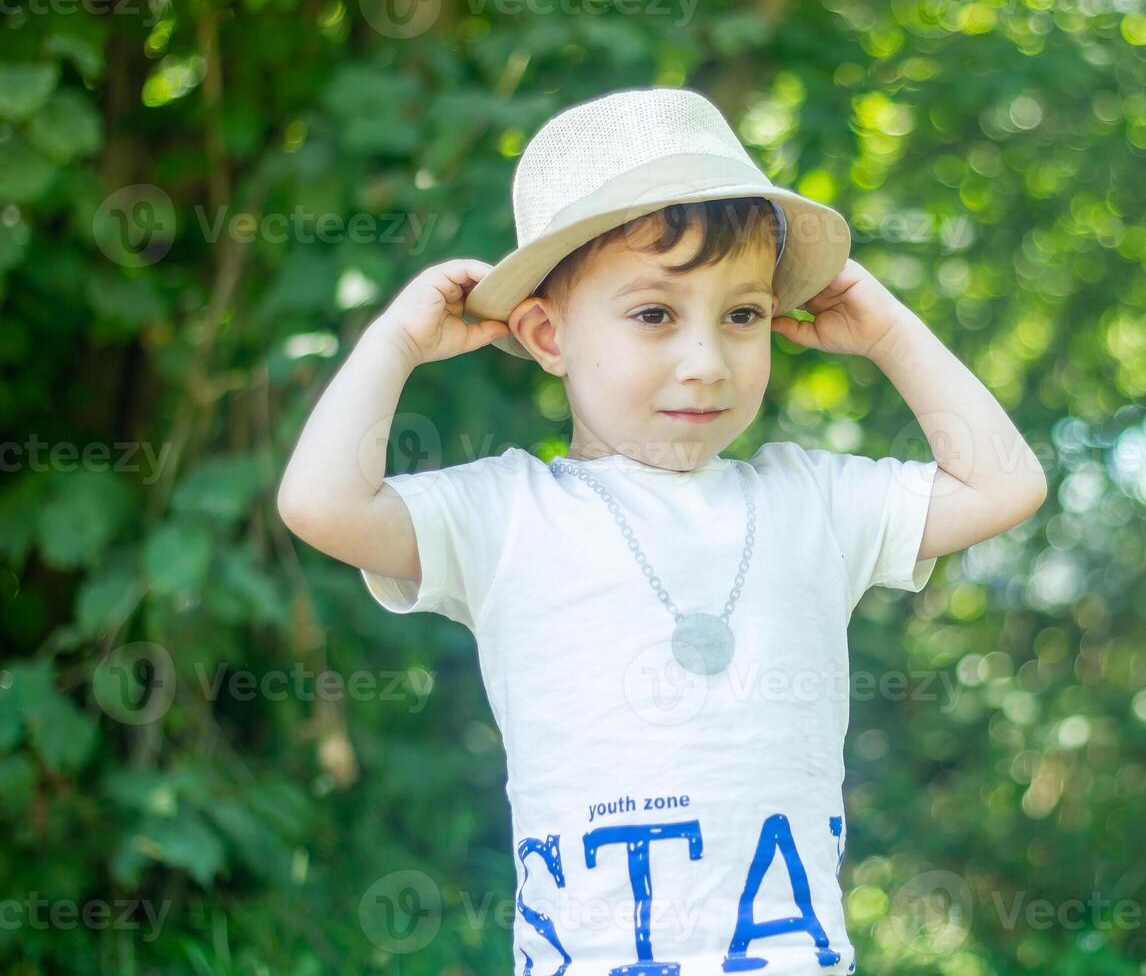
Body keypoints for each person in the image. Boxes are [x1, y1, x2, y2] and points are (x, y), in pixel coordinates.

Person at [277, 87, 1046, 975]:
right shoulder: (509, 516)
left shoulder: (812, 503)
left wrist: (890, 334)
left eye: (743, 315)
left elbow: (1005, 482)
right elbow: (322, 504)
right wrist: (396, 342)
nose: (706, 360)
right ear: (545, 333)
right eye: (654, 315)